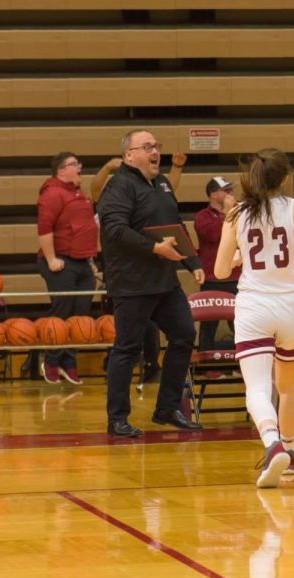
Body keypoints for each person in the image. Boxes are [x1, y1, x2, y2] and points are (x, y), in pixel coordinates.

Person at [215, 148, 294, 487]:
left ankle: (272, 444)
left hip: (255, 307)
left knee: (256, 388)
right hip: (292, 306)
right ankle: (289, 455)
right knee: (287, 386)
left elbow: (218, 269)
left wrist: (242, 257)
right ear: (285, 178)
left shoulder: (236, 213)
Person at [98, 130, 203, 437]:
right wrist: (155, 248)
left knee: (183, 335)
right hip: (132, 283)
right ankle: (117, 419)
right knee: (127, 349)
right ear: (129, 155)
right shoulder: (119, 185)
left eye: (156, 146)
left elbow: (175, 226)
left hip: (164, 282)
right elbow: (115, 229)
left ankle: (167, 408)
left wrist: (192, 262)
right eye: (147, 147)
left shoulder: (163, 183)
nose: (155, 151)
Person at [36, 152, 99, 385]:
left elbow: (85, 231)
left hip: (82, 262)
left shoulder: (78, 194)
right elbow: (44, 228)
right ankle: (51, 360)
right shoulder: (52, 193)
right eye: (74, 164)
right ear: (61, 171)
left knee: (80, 316)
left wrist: (91, 262)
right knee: (62, 311)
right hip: (60, 260)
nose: (80, 167)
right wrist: (52, 259)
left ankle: (69, 362)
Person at [195, 176, 241, 351]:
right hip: (212, 279)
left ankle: (242, 365)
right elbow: (214, 235)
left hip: (236, 277)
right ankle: (207, 370)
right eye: (226, 190)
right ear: (213, 194)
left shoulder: (237, 213)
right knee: (208, 326)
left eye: (231, 190)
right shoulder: (202, 217)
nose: (230, 194)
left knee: (241, 325)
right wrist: (229, 214)